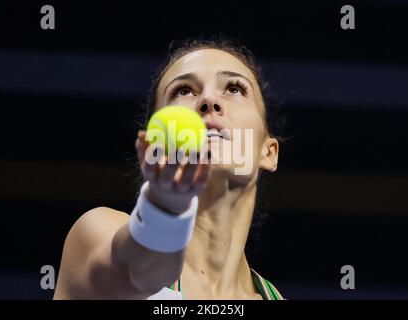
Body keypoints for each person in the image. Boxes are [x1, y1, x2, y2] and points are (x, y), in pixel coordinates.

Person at [54, 38, 285, 300]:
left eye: (234, 88)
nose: (209, 99)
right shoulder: (96, 233)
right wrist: (165, 208)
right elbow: (140, 273)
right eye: (184, 90)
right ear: (154, 146)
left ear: (268, 152)